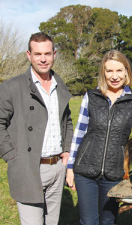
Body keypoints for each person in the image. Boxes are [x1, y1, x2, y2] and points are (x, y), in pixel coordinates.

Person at [66, 50, 132, 225]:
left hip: (115, 172)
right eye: (109, 71)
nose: (114, 76)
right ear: (103, 73)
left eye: (119, 70)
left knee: (108, 221)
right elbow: (79, 133)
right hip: (85, 170)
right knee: (88, 221)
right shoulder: (91, 97)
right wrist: (70, 168)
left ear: (127, 71)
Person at [0, 32, 73, 225]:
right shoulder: (11, 87)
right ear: (28, 55)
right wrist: (11, 155)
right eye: (38, 54)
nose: (43, 59)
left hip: (57, 167)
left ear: (54, 54)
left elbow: (67, 120)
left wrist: (66, 149)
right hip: (28, 167)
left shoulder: (60, 85)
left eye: (47, 54)